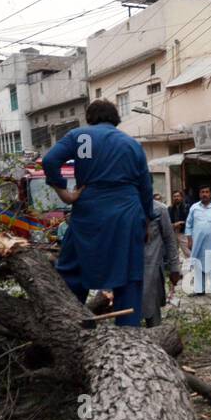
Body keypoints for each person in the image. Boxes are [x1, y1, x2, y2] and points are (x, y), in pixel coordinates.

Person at [41, 99, 152, 327]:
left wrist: (64, 191)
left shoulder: (80, 137)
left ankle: (73, 327)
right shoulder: (131, 144)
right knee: (128, 277)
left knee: (72, 272)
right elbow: (145, 187)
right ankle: (128, 337)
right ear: (116, 119)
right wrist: (146, 220)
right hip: (127, 214)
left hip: (89, 211)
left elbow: (50, 160)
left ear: (89, 118)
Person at [143, 198, 183, 327]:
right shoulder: (123, 206)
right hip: (127, 272)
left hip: (151, 270)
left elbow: (169, 239)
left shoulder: (159, 209)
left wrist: (174, 267)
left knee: (152, 317)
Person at [184, 186, 211, 298]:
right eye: (202, 192)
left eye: (207, 192)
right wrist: (189, 239)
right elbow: (188, 225)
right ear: (199, 194)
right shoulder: (194, 207)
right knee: (198, 265)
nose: (204, 194)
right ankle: (200, 289)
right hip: (198, 243)